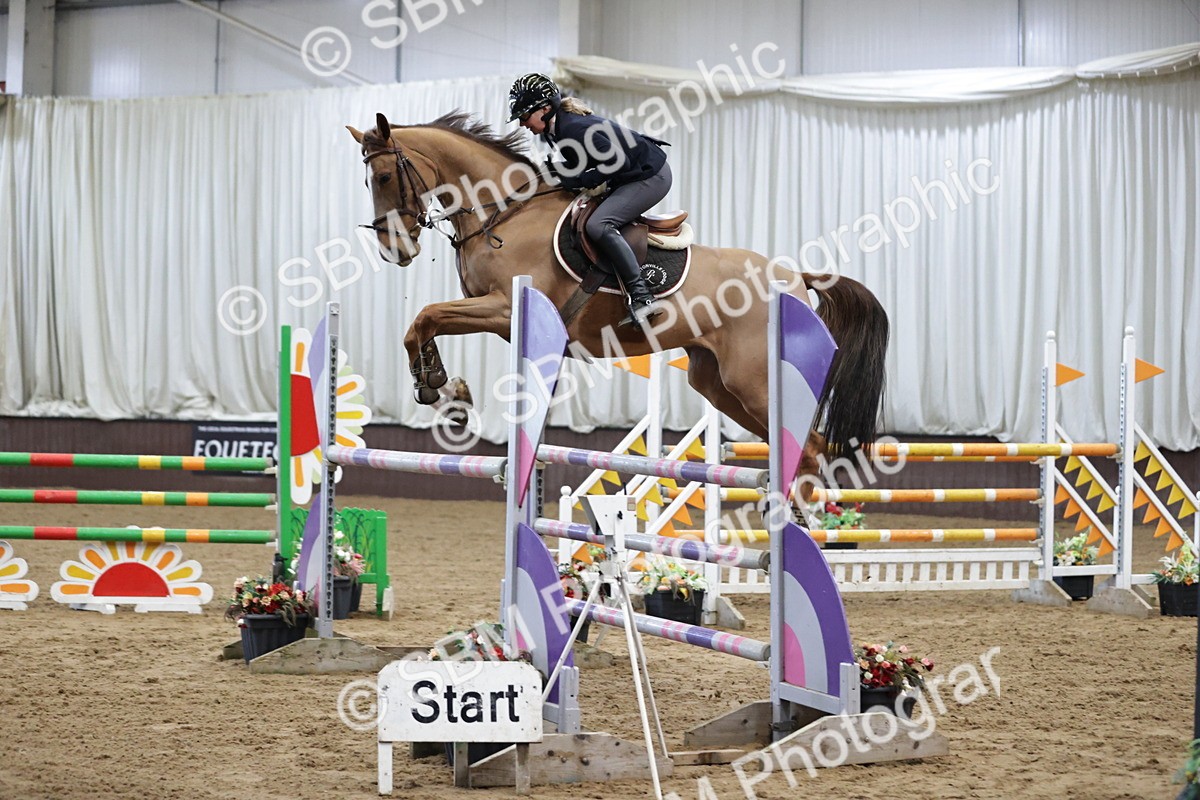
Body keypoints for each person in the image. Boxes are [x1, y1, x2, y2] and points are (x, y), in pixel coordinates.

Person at [509, 73, 671, 328]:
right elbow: (584, 163)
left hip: (651, 176)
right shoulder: (558, 129)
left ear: (545, 108)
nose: (521, 123)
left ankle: (642, 296)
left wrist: (575, 179)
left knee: (599, 224)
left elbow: (618, 162)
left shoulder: (572, 128)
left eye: (524, 115)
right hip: (631, 173)